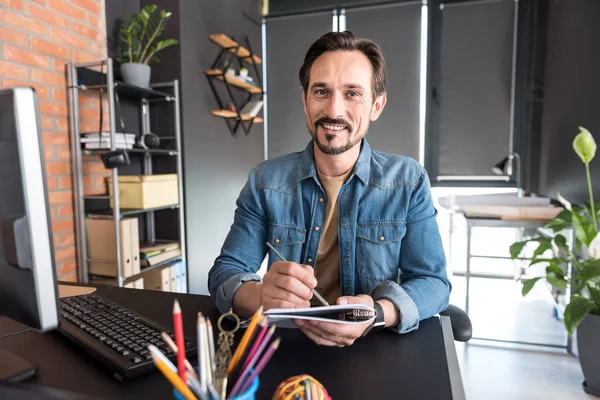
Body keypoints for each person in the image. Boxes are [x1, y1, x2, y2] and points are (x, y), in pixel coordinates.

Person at [208, 31, 450, 346]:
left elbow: (434, 284)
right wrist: (258, 295)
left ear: (376, 106)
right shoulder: (264, 181)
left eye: (352, 93)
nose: (334, 110)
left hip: (374, 347)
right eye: (321, 91)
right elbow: (225, 272)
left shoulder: (409, 179)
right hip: (285, 347)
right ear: (305, 100)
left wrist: (377, 313)